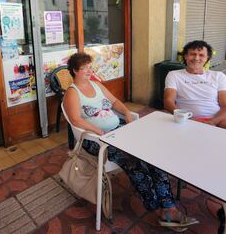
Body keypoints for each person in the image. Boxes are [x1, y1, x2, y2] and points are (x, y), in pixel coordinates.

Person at [63, 52, 198, 231]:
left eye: (90, 66)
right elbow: (76, 120)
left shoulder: (96, 85)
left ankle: (169, 207)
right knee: (134, 163)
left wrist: (126, 112)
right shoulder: (72, 93)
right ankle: (158, 208)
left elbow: (115, 102)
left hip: (118, 131)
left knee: (152, 156)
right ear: (74, 70)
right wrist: (100, 132)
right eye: (84, 68)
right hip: (96, 140)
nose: (89, 70)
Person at [164, 40, 226, 127]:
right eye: (192, 54)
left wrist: (212, 122)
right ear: (185, 56)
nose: (196, 58)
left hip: (216, 119)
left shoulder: (218, 76)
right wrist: (186, 118)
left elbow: (225, 106)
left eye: (201, 55)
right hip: (186, 119)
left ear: (207, 58)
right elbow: (168, 101)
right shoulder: (174, 75)